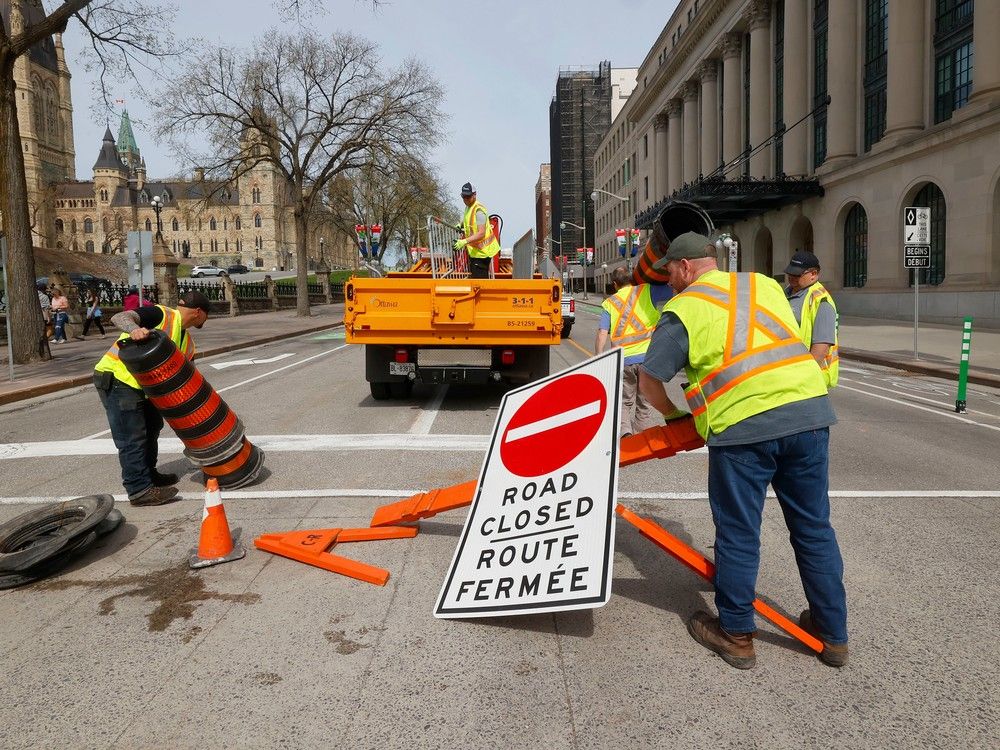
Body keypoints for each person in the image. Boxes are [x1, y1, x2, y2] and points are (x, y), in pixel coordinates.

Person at [638, 232, 848, 670]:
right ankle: (833, 634)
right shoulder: (764, 284)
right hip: (809, 414)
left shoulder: (683, 308)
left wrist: (675, 417)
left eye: (670, 272)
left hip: (744, 428)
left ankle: (735, 633)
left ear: (686, 267)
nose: (668, 281)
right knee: (813, 528)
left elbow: (649, 381)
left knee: (738, 532)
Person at [93, 291, 211, 506]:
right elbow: (119, 317)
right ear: (198, 312)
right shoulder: (161, 315)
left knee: (152, 427)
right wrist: (135, 329)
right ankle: (138, 489)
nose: (206, 320)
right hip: (118, 379)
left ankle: (149, 474)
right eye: (207, 315)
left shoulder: (187, 342)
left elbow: (189, 374)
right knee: (132, 436)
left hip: (144, 388)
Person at [595, 267, 673, 437]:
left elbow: (602, 333)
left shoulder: (610, 303)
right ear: (631, 279)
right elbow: (672, 289)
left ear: (615, 284)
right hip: (648, 358)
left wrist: (599, 357)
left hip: (623, 360)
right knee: (645, 401)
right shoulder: (646, 291)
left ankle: (625, 433)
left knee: (624, 401)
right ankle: (641, 434)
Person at [784, 250, 839, 388]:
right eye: (790, 273)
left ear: (813, 274)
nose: (792, 277)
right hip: (788, 372)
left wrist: (804, 379)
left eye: (797, 274)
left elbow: (821, 348)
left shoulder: (821, 301)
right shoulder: (786, 293)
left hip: (808, 380)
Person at [454, 182, 500, 279]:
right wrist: (461, 224)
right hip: (476, 252)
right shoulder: (468, 207)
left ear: (474, 195)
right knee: (478, 281)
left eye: (468, 196)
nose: (465, 199)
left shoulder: (479, 210)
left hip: (483, 253)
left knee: (480, 284)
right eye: (463, 196)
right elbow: (468, 220)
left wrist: (464, 241)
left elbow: (481, 233)